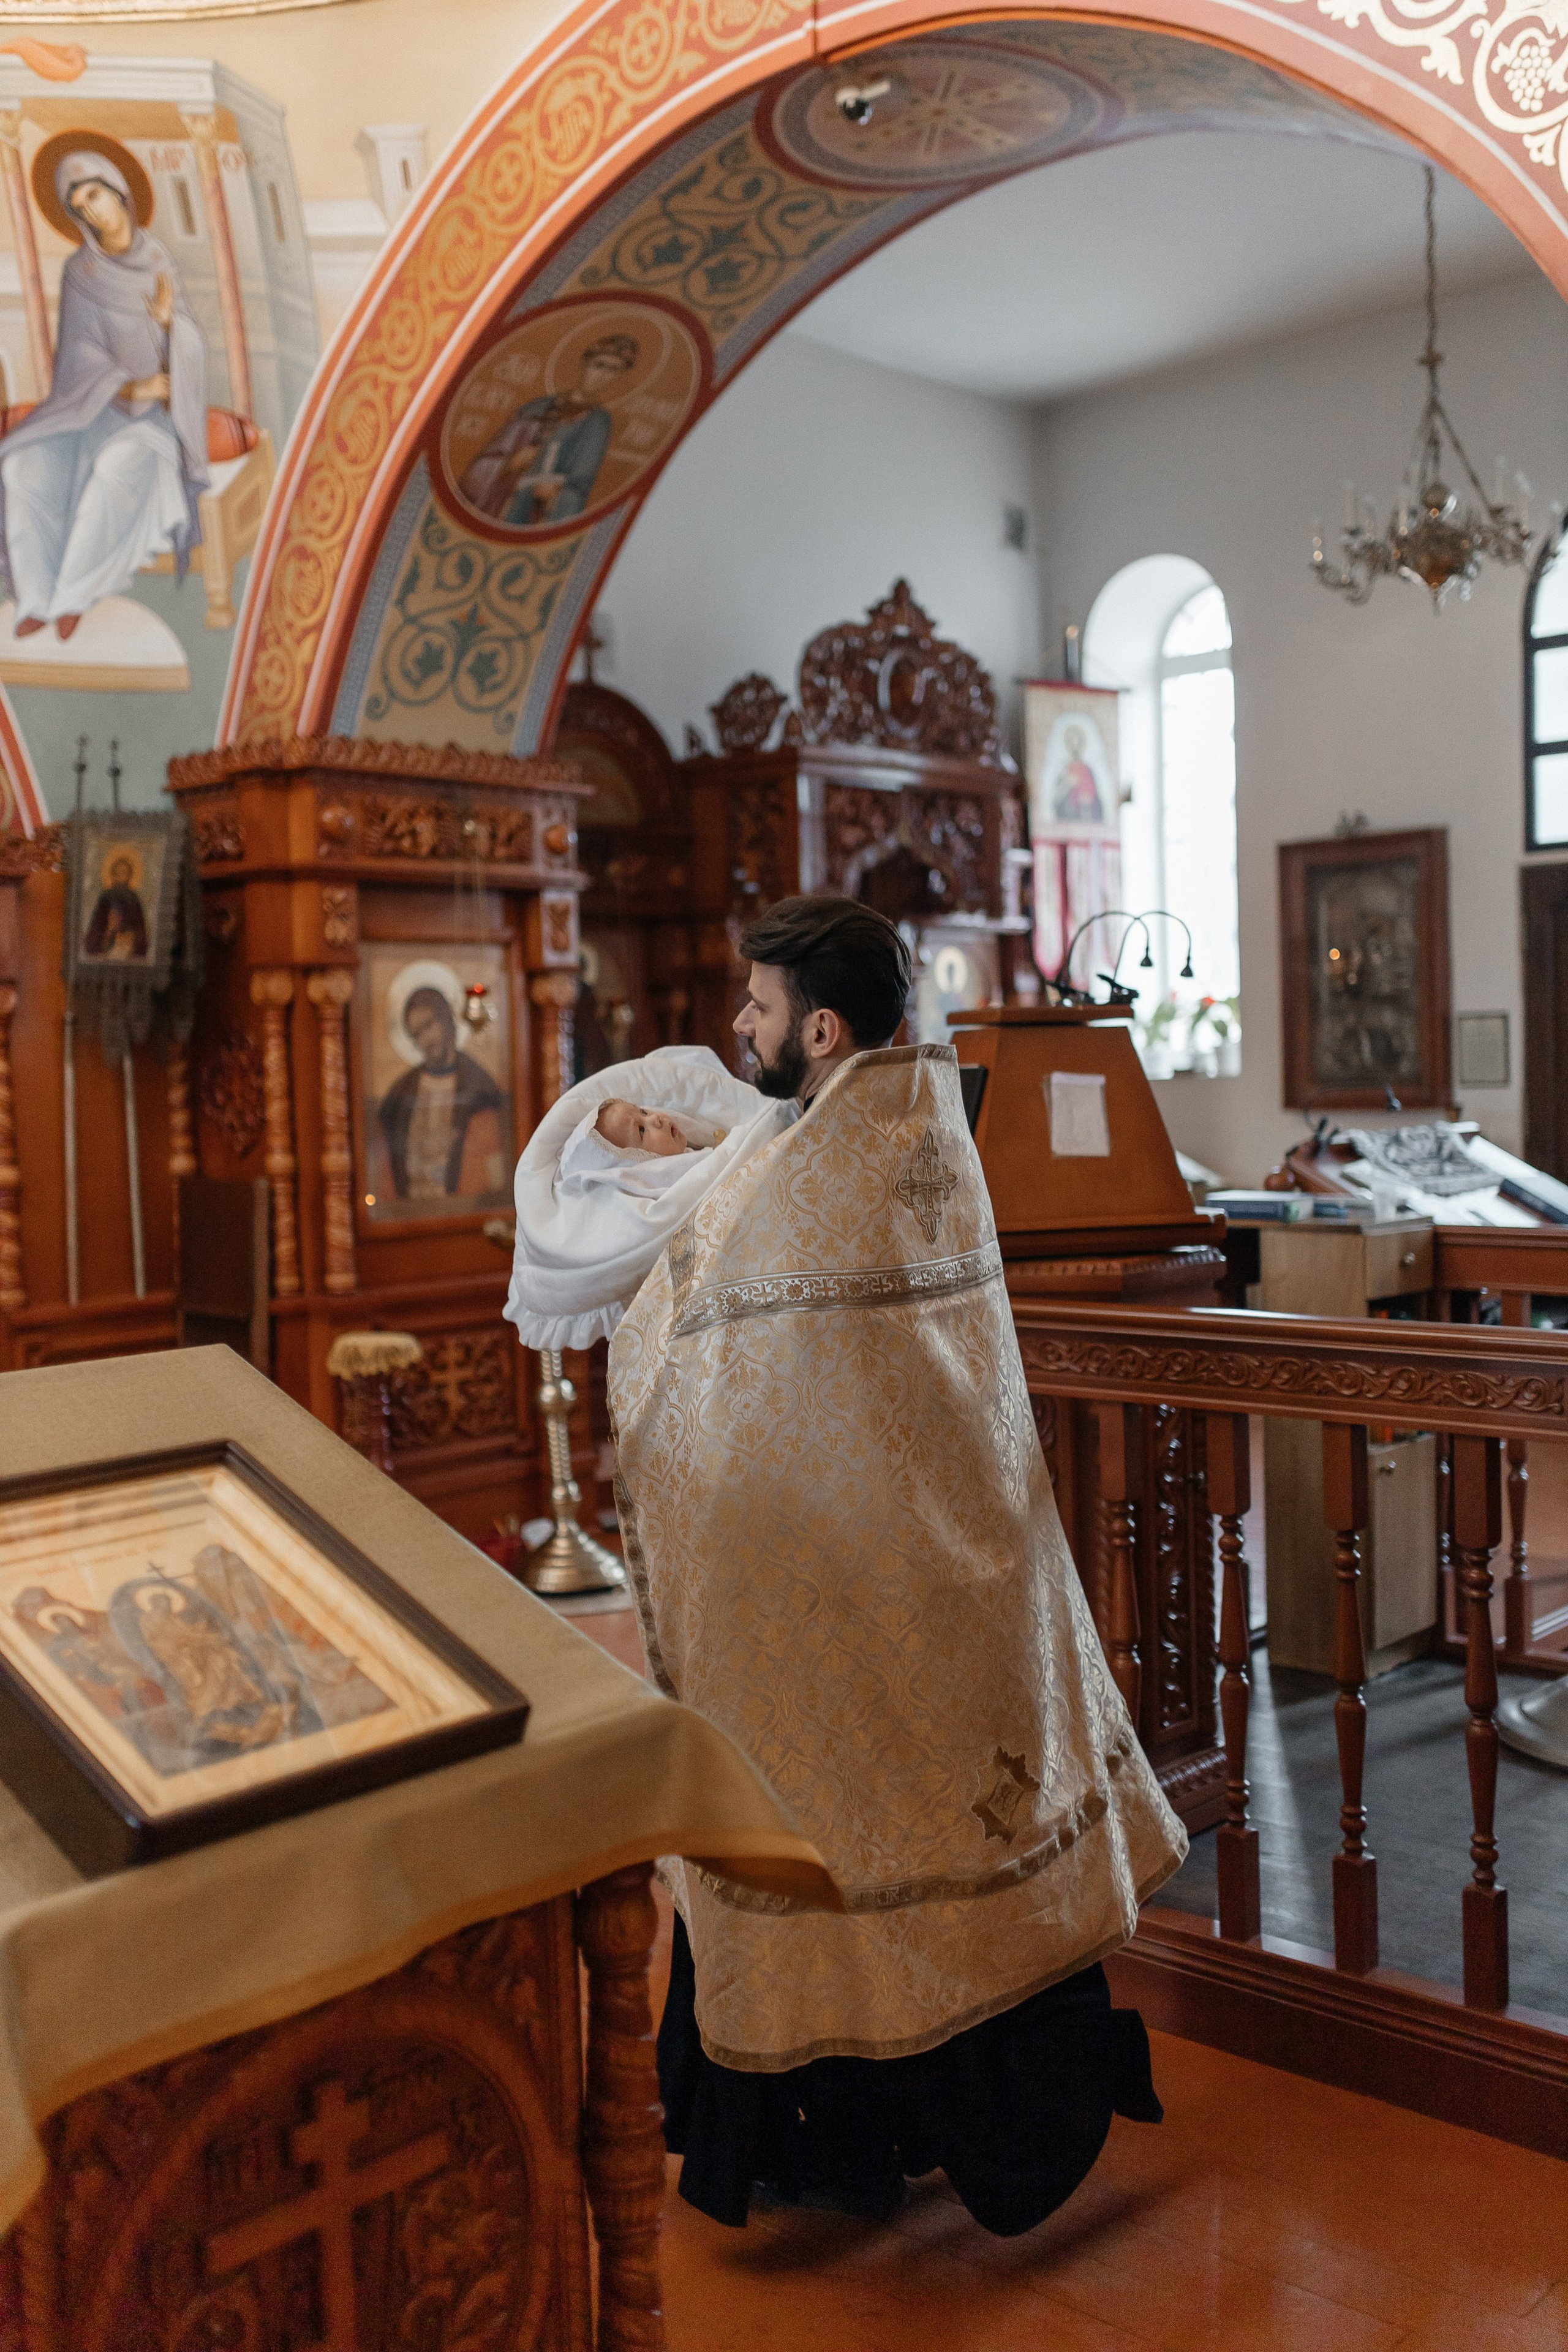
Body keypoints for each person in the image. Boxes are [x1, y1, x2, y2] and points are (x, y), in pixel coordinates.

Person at [608, 895, 1187, 2236]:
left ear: (818, 1029)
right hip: (932, 1577)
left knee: (849, 1844)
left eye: (757, 1007)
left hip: (870, 1586)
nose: (738, 1025)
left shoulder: (830, 1164)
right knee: (917, 1847)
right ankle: (872, 2136)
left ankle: (901, 2136)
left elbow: (692, 1342)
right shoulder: (903, 1122)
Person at [0, 149, 208, 638]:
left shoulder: (158, 262)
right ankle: (36, 599)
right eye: (79, 207)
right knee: (21, 467)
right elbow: (77, 359)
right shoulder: (81, 272)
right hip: (88, 413)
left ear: (119, 191)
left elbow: (193, 347)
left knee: (115, 469)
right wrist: (125, 387)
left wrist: (168, 326)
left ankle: (72, 597)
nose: (90, 211)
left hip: (149, 423)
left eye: (94, 195)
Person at [457, 334, 637, 526]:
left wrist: (557, 495)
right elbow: (481, 465)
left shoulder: (598, 423)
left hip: (535, 514)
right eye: (599, 365)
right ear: (585, 364)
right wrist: (510, 463)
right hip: (500, 504)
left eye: (613, 370)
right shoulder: (536, 408)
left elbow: (583, 479)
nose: (602, 376)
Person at [379, 986, 503, 1202]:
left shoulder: (478, 1085)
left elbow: (493, 1164)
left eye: (429, 1026)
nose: (426, 1039)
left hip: (463, 1208)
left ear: (446, 1020)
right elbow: (387, 1160)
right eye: (417, 1035)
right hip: (413, 1208)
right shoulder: (402, 1091)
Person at [83, 852, 148, 960]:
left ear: (130, 876)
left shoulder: (134, 898)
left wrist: (131, 937)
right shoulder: (105, 897)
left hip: (129, 948)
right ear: (112, 875)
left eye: (125, 873)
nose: (121, 877)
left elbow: (140, 929)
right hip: (106, 948)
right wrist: (109, 931)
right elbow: (96, 928)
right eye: (118, 873)